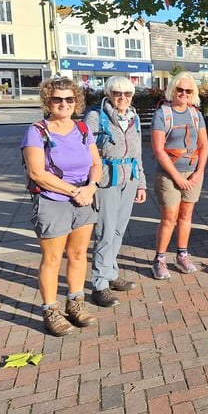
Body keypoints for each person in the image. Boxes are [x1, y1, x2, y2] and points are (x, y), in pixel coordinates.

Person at [21, 76, 102, 336]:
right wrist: (74, 191)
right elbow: (37, 173)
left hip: (84, 199)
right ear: (48, 101)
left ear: (76, 101)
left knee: (78, 254)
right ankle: (51, 310)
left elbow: (96, 164)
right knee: (53, 258)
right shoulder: (37, 131)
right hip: (53, 200)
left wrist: (91, 188)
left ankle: (75, 302)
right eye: (57, 99)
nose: (64, 103)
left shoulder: (82, 129)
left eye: (69, 98)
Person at [84, 76, 146, 307]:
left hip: (128, 178)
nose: (122, 98)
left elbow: (138, 153)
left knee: (119, 230)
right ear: (108, 94)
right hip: (106, 179)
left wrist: (141, 183)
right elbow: (85, 150)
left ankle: (110, 273)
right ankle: (99, 284)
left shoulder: (133, 117)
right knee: (105, 231)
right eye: (117, 93)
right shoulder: (95, 117)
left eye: (127, 94)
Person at [150, 72, 208, 278]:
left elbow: (204, 145)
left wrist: (198, 173)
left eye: (188, 90)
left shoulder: (195, 114)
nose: (183, 94)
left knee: (186, 215)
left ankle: (182, 255)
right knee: (169, 217)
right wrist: (177, 177)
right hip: (169, 174)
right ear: (172, 90)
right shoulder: (162, 113)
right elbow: (158, 149)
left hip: (192, 173)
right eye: (180, 89)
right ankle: (159, 259)